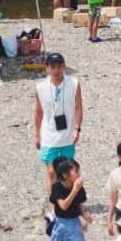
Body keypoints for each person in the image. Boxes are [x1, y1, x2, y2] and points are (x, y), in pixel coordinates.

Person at [34, 52, 83, 191]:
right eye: (53, 67)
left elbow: (78, 107)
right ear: (47, 68)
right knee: (51, 172)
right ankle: (54, 203)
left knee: (68, 171)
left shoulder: (74, 83)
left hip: (67, 134)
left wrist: (76, 128)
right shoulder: (40, 87)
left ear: (64, 67)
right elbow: (38, 112)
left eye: (59, 66)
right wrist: (37, 134)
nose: (56, 70)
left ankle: (70, 200)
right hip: (49, 134)